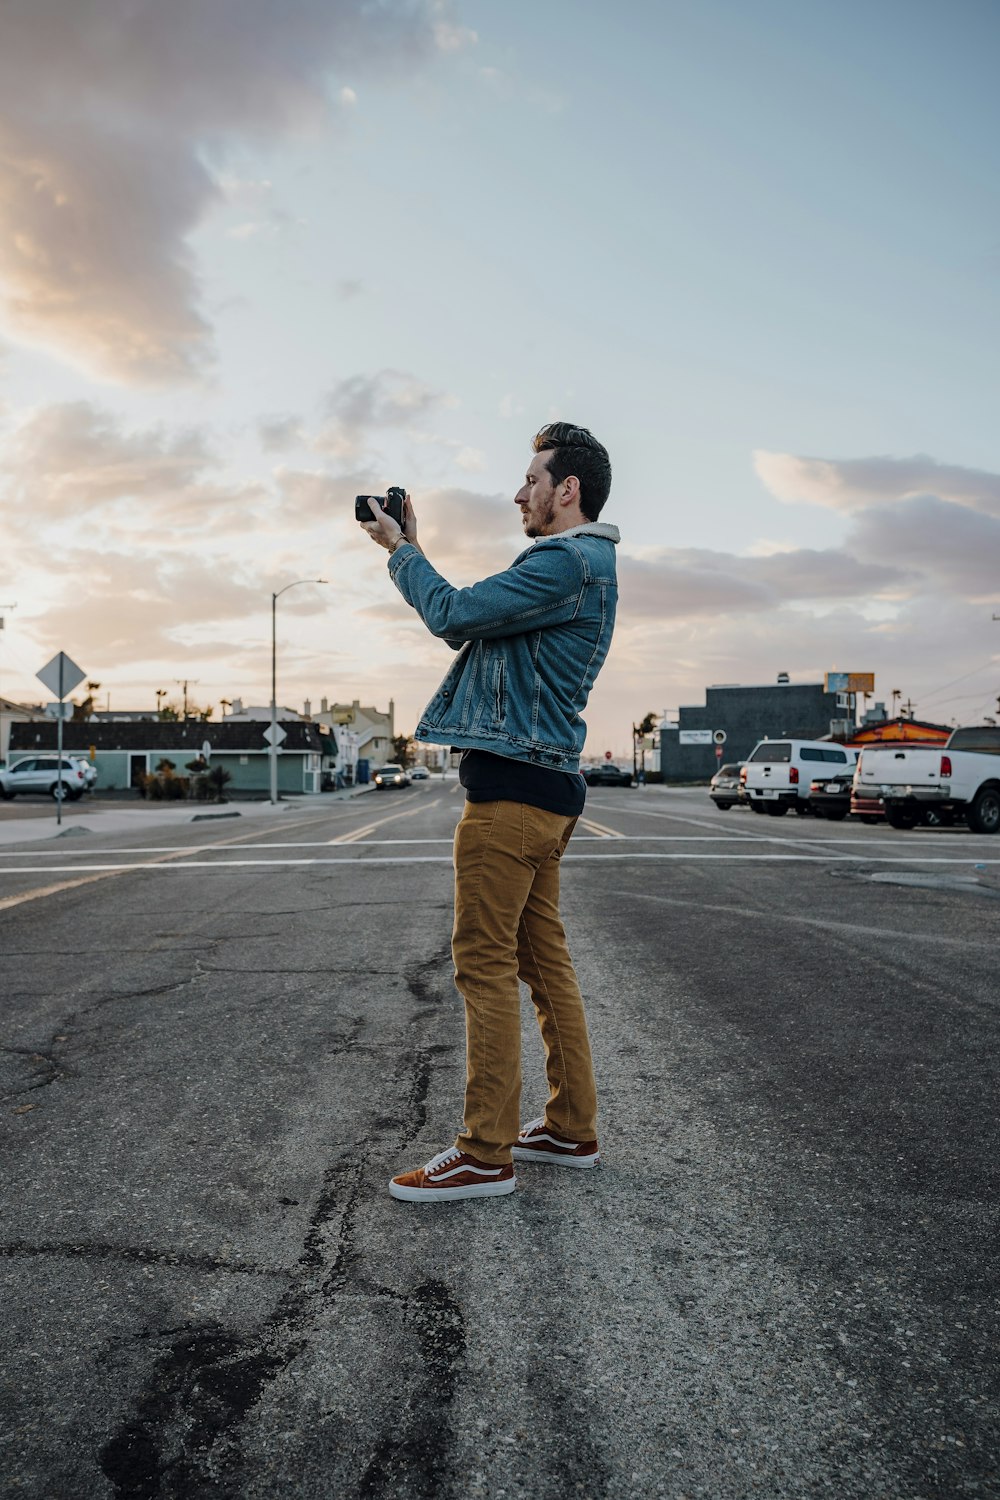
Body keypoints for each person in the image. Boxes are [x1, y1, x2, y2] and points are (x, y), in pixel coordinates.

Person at [360, 422, 618, 1202]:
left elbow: (451, 613)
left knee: (483, 966)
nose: (519, 493)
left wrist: (401, 550)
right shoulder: (580, 566)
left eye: (531, 480)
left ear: (565, 490)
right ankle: (570, 1128)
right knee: (543, 966)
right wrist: (415, 551)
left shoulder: (564, 559)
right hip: (544, 791)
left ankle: (483, 1153)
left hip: (511, 799)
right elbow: (470, 624)